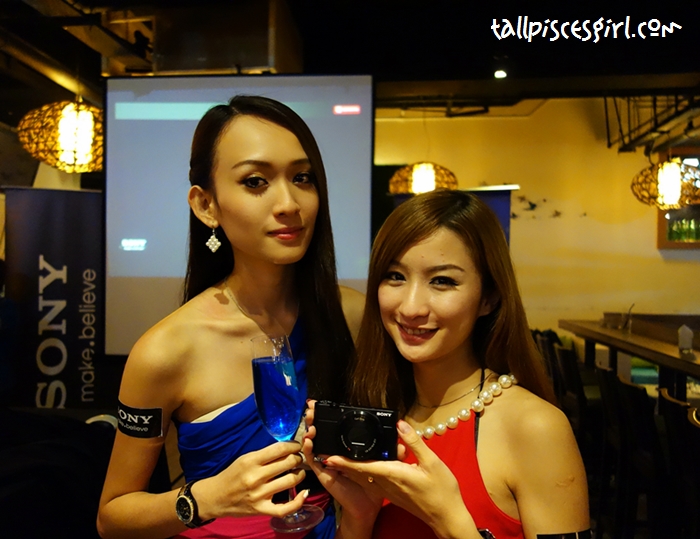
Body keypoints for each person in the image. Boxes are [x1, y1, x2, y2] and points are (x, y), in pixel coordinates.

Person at [97, 95, 364, 539]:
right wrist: (208, 498)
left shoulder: (350, 316)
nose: (289, 203)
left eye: (302, 178)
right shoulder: (165, 351)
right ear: (206, 205)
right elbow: (112, 518)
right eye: (256, 181)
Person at [303, 190, 590, 539]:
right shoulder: (381, 413)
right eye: (395, 276)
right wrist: (359, 516)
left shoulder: (535, 427)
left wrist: (448, 519)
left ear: (488, 298)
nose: (411, 307)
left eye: (442, 281)